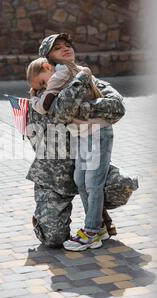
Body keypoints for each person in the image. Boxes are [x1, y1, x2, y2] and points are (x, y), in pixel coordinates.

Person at [26, 33, 138, 248]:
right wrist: (83, 95)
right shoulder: (41, 93)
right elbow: (61, 113)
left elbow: (117, 107)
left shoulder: (90, 80)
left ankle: (95, 223)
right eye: (58, 48)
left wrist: (80, 108)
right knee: (54, 238)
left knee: (120, 184)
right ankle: (45, 215)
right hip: (55, 175)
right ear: (47, 61)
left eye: (67, 45)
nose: (65, 48)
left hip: (88, 152)